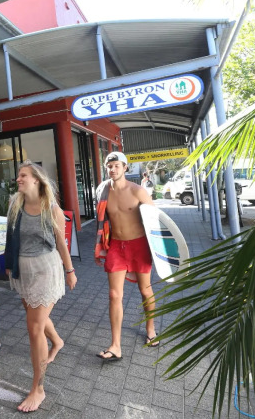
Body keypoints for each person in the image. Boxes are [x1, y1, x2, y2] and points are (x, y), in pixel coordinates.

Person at [4, 161, 77, 412]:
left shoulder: (52, 209)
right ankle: (57, 341)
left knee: (34, 328)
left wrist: (70, 271)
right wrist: (9, 264)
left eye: (23, 175)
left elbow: (61, 243)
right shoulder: (15, 204)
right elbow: (10, 236)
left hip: (46, 269)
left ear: (36, 179)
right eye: (18, 176)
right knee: (35, 316)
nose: (18, 179)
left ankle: (38, 389)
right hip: (23, 270)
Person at [94, 151, 158, 362]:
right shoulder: (103, 191)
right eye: (109, 166)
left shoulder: (138, 191)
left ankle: (151, 329)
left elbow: (156, 221)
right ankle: (115, 346)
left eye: (116, 166)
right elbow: (102, 222)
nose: (112, 169)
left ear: (125, 167)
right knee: (114, 295)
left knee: (145, 290)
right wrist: (100, 246)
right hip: (116, 246)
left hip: (139, 245)